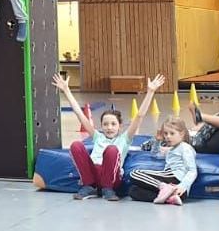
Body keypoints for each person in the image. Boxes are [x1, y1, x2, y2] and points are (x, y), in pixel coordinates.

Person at [55, 72, 162, 201]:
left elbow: (139, 116)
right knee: (76, 145)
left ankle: (108, 189)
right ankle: (89, 186)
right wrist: (66, 90)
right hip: (93, 173)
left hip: (111, 178)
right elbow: (80, 114)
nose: (109, 127)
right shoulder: (98, 137)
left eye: (113, 124)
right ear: (101, 126)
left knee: (112, 149)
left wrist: (150, 92)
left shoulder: (124, 139)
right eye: (105, 124)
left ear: (120, 126)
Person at [128, 116, 198, 205]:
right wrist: (157, 141)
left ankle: (165, 188)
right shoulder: (171, 149)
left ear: (182, 134)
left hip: (175, 179)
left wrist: (183, 186)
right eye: (166, 133)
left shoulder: (185, 147)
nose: (168, 136)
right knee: (133, 191)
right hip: (177, 192)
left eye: (172, 133)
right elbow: (155, 154)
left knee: (134, 173)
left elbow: (192, 170)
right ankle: (170, 197)